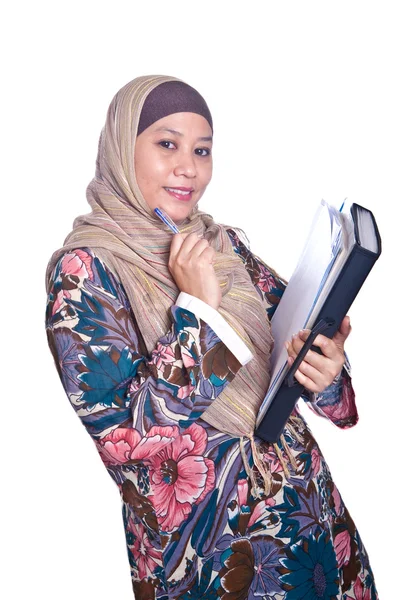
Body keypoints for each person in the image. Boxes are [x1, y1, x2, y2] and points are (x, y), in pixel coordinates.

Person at [44, 75, 379, 600]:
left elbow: (328, 392)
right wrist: (197, 311)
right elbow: (127, 445)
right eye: (167, 143)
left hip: (315, 537)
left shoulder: (224, 248)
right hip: (215, 562)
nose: (189, 167)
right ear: (120, 147)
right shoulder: (86, 272)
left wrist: (326, 372)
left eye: (202, 150)